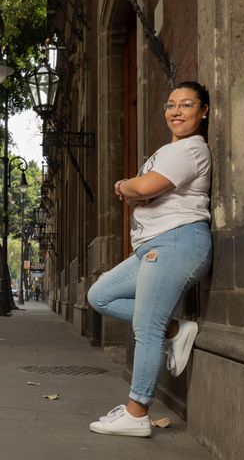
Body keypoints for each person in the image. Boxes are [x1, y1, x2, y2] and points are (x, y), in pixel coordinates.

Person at [87, 81, 212, 437]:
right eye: (170, 104)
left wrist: (129, 184)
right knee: (100, 295)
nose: (176, 111)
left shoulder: (191, 150)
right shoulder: (168, 151)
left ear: (203, 111)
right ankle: (177, 329)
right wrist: (137, 189)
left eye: (186, 105)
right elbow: (142, 192)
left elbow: (142, 190)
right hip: (152, 247)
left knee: (147, 328)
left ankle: (138, 412)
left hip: (176, 243)